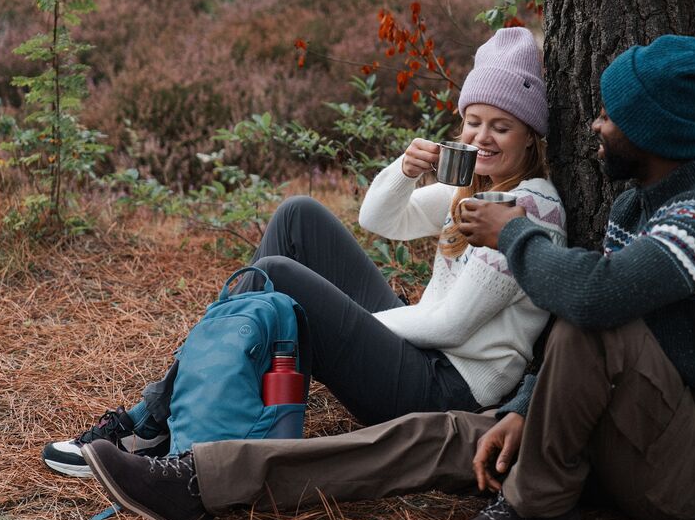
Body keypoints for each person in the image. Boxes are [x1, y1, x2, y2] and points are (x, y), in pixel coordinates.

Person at [82, 35, 695, 520]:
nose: (596, 124)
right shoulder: (633, 211)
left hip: (686, 469)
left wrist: (512, 236)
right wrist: (527, 408)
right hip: (604, 437)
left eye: (612, 115)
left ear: (652, 131)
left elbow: (594, 306)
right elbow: (390, 222)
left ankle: (537, 514)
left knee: (594, 310)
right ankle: (199, 480)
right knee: (423, 439)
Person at [43, 27, 566, 478]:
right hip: (420, 351)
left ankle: (154, 421)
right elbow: (379, 219)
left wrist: (347, 322)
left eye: (502, 126)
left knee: (274, 275)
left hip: (446, 389)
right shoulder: (469, 193)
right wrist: (404, 170)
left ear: (530, 138)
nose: (483, 137)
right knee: (298, 216)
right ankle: (182, 411)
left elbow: (450, 328)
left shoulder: (530, 209)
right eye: (474, 122)